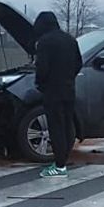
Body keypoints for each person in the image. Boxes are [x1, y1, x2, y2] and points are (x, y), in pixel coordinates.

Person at [32, 11, 81, 177]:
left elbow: (42, 68)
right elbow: (78, 63)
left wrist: (40, 83)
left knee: (56, 127)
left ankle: (59, 166)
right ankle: (63, 160)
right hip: (69, 89)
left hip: (52, 91)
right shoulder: (70, 40)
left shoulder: (45, 42)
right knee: (67, 126)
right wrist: (68, 77)